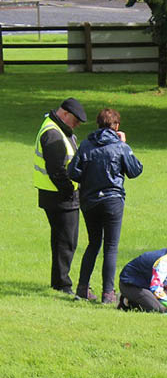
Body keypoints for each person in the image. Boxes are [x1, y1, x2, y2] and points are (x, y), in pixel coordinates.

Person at [66, 108, 144, 303]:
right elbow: (135, 170)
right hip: (112, 199)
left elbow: (73, 172)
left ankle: (82, 288)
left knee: (93, 243)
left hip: (89, 200)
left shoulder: (86, 145)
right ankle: (108, 293)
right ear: (116, 126)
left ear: (98, 124)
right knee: (111, 246)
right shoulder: (119, 146)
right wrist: (125, 144)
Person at [33, 97, 87, 294]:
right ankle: (62, 284)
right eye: (75, 121)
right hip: (60, 196)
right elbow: (56, 170)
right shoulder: (54, 134)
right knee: (66, 241)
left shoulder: (57, 129)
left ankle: (60, 281)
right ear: (64, 114)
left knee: (62, 240)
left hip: (55, 194)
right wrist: (70, 191)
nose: (77, 126)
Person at [118, 241, 167, 315]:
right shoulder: (164, 262)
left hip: (146, 284)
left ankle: (141, 300)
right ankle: (127, 301)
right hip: (130, 284)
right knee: (157, 308)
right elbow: (156, 288)